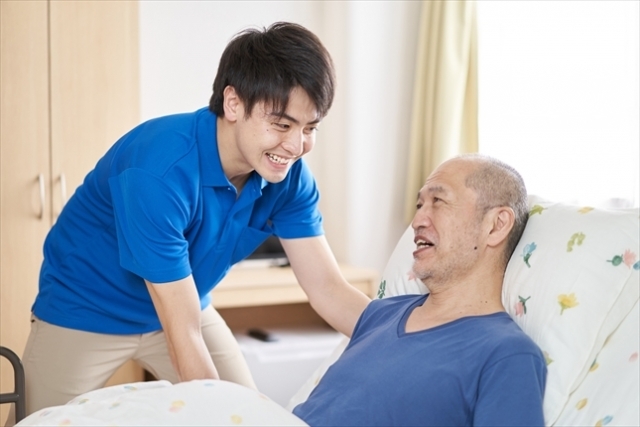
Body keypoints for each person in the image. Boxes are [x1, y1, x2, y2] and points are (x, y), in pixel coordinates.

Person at [21, 22, 370, 417]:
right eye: (282, 124)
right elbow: (183, 334)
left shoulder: (288, 179)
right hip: (86, 308)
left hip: (185, 304)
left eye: (310, 128)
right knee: (36, 422)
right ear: (234, 104)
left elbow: (328, 288)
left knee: (252, 416)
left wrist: (408, 337)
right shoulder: (159, 170)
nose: (295, 145)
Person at [293, 154, 547, 426]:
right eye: (419, 205)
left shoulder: (506, 354)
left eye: (438, 201)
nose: (417, 221)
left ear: (496, 225)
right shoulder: (383, 315)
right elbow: (326, 288)